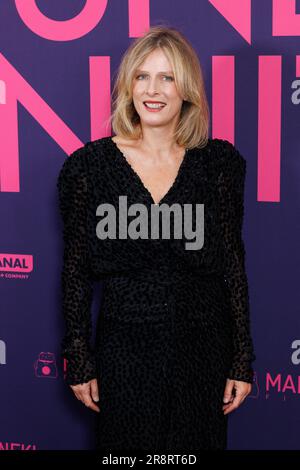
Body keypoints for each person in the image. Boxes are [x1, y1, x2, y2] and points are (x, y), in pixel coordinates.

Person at [57, 25, 256, 451]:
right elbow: (74, 270)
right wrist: (79, 356)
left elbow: (232, 264)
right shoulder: (89, 167)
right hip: (125, 349)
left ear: (186, 89)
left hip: (202, 347)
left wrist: (241, 358)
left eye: (167, 77)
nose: (153, 89)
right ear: (128, 85)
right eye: (142, 76)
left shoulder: (219, 164)